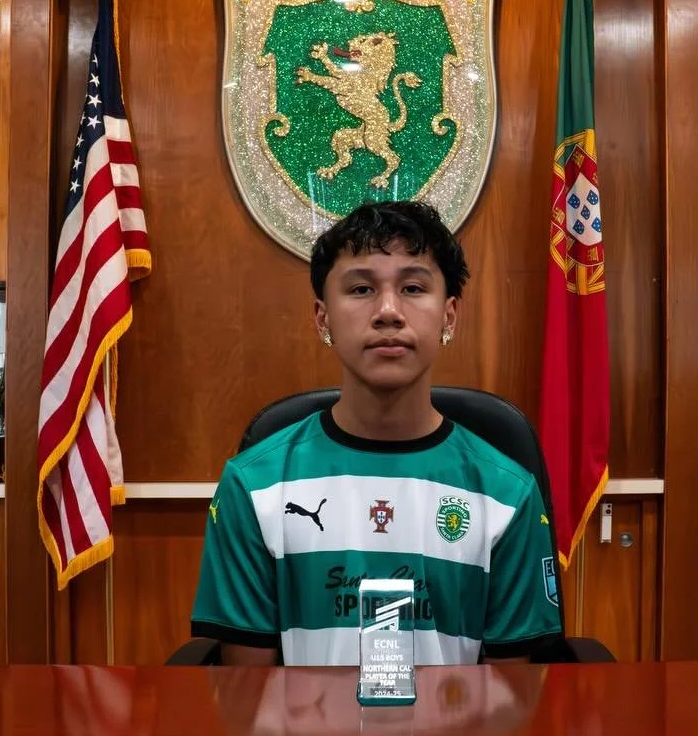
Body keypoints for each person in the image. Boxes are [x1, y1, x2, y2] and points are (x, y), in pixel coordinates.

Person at [190, 201, 563, 666]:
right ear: (323, 318)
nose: (388, 311)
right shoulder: (255, 486)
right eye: (362, 288)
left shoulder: (509, 494)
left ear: (449, 316)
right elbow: (247, 698)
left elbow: (513, 701)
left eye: (412, 287)